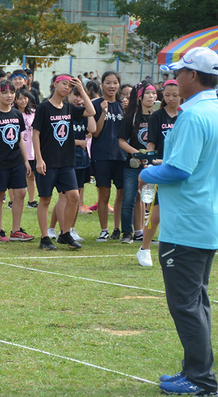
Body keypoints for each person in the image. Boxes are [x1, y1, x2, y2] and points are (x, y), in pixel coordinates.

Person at [140, 47, 218, 396]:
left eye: (181, 72)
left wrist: (147, 171)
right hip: (205, 219)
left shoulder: (192, 115)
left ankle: (201, 378)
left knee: (186, 304)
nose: (175, 78)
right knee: (197, 301)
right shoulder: (213, 111)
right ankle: (196, 370)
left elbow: (178, 169)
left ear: (193, 77)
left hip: (186, 223)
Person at [32, 74, 94, 250]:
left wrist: (82, 89)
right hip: (48, 161)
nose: (67, 87)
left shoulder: (69, 107)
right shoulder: (44, 107)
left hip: (66, 161)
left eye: (69, 85)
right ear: (54, 84)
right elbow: (35, 133)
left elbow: (91, 111)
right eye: (63, 84)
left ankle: (65, 233)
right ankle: (45, 238)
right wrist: (39, 159)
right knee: (45, 199)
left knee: (74, 197)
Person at [0, 80, 33, 243]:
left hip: (16, 161)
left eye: (11, 92)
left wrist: (25, 161)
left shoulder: (17, 114)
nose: (9, 96)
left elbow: (20, 139)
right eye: (5, 92)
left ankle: (16, 230)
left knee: (21, 193)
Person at [136, 79, 179, 267]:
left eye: (175, 95)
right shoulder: (156, 117)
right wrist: (151, 163)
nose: (171, 98)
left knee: (179, 212)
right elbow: (151, 144)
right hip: (161, 169)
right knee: (156, 214)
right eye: (167, 95)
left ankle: (177, 249)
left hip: (180, 168)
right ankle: (144, 249)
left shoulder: (187, 116)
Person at [117, 81, 156, 244]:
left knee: (149, 202)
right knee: (128, 200)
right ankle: (127, 233)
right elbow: (121, 141)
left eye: (154, 94)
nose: (151, 97)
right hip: (132, 166)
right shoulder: (131, 117)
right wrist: (136, 152)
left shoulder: (158, 116)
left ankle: (145, 234)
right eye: (148, 93)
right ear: (140, 97)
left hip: (152, 166)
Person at [90, 71, 125, 241]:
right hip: (102, 155)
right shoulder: (95, 104)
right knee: (104, 195)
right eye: (108, 82)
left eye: (115, 83)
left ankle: (117, 229)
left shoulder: (123, 105)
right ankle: (104, 230)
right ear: (102, 84)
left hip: (121, 155)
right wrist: (103, 112)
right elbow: (95, 133)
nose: (112, 86)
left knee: (122, 192)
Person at [15, 89, 38, 209]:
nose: (23, 101)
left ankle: (32, 200)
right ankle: (13, 200)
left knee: (31, 176)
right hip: (18, 149)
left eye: (25, 98)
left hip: (31, 148)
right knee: (17, 176)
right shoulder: (13, 113)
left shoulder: (33, 113)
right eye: (20, 98)